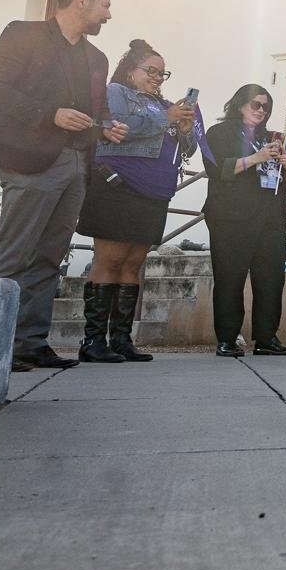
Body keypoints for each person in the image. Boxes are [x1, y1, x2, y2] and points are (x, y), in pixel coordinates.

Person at [0, 0, 125, 371]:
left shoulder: (96, 58)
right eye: (105, 4)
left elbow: (93, 112)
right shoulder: (23, 34)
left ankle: (29, 344)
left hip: (76, 165)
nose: (109, 14)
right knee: (12, 254)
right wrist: (48, 114)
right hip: (31, 161)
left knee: (50, 258)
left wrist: (106, 127)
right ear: (80, 1)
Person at [74, 39, 196, 362]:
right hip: (118, 187)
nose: (157, 77)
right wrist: (167, 116)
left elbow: (186, 150)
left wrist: (185, 128)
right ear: (130, 71)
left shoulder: (164, 104)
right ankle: (93, 342)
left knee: (133, 265)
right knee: (109, 262)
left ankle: (122, 340)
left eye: (162, 73)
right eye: (151, 71)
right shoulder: (116, 92)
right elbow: (121, 128)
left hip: (153, 193)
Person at [201, 84, 286, 357]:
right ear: (239, 104)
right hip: (231, 217)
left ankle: (267, 338)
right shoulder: (219, 133)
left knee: (271, 278)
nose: (261, 111)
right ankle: (227, 339)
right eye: (255, 104)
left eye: (266, 107)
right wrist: (258, 157)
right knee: (230, 277)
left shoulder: (273, 137)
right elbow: (217, 169)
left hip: (270, 217)